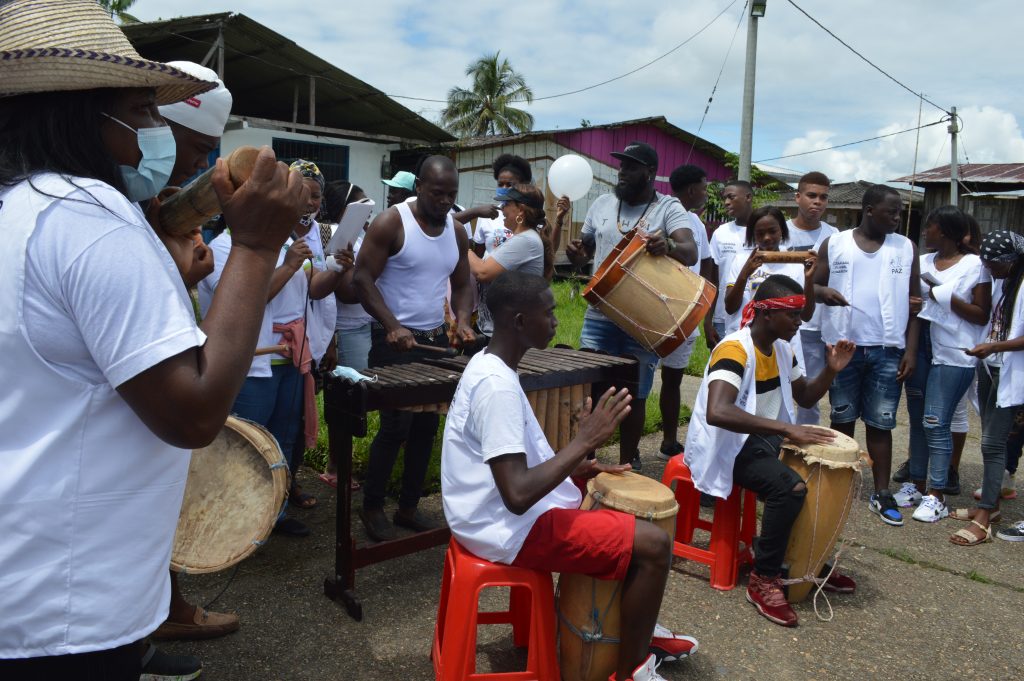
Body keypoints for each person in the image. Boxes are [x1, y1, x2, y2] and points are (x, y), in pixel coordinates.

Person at [0, 1, 308, 677]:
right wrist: (255, 245)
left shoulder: (21, 207)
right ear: (86, 113)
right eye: (141, 110)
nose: (151, 132)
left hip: (25, 583)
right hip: (69, 612)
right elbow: (193, 410)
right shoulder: (89, 217)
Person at [442, 271, 698, 681]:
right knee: (654, 545)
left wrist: (576, 466)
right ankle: (633, 670)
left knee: (595, 495)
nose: (558, 322)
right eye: (550, 313)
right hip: (505, 528)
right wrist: (583, 441)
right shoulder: (497, 388)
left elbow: (509, 470)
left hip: (483, 515)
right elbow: (517, 494)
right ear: (520, 322)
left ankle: (632, 629)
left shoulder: (487, 364)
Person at [685, 274, 857, 627]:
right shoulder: (734, 349)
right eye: (793, 316)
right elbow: (719, 411)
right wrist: (785, 428)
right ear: (766, 314)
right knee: (790, 488)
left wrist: (831, 369)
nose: (800, 322)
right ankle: (765, 579)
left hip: (760, 441)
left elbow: (805, 395)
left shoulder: (781, 348)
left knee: (815, 473)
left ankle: (802, 562)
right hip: (728, 449)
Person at [199, 159, 349, 537]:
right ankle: (236, 522)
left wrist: (338, 270)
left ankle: (273, 516)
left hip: (289, 361)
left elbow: (312, 291)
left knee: (283, 441)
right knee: (248, 444)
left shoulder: (285, 243)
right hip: (251, 365)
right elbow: (249, 300)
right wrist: (290, 264)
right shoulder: (223, 247)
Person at [352, 155, 476, 542]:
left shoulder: (455, 231)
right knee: (395, 427)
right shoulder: (393, 222)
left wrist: (464, 320)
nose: (444, 201)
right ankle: (372, 506)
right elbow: (362, 277)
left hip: (435, 339)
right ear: (419, 186)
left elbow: (463, 282)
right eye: (437, 193)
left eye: (451, 194)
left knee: (427, 426)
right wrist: (392, 325)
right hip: (392, 342)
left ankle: (408, 506)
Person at [566, 142, 697, 470]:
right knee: (591, 387)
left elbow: (690, 251)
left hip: (642, 316)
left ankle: (626, 465)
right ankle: (587, 460)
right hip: (599, 312)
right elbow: (586, 248)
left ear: (650, 173)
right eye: (620, 166)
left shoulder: (669, 208)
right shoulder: (601, 204)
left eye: (630, 167)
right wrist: (577, 254)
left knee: (634, 392)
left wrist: (667, 245)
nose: (621, 173)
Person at [814, 185, 920, 527]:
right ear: (869, 209)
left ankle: (881, 492)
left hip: (888, 349)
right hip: (843, 348)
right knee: (841, 418)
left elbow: (916, 305)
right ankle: (836, 484)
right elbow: (810, 286)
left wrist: (911, 350)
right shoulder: (836, 242)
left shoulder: (905, 247)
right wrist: (823, 292)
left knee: (881, 422)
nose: (898, 217)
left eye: (900, 212)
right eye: (892, 211)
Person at [897, 206, 991, 523]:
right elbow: (913, 306)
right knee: (919, 420)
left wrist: (941, 296)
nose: (925, 233)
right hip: (921, 347)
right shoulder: (923, 262)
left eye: (931, 228)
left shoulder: (975, 266)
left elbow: (981, 314)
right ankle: (917, 485)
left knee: (937, 422)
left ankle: (937, 496)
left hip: (954, 352)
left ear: (946, 232)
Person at [952, 230, 1024, 544]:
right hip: (991, 368)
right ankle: (991, 505)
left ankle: (984, 518)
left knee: (993, 444)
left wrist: (995, 348)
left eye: (994, 264)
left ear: (1011, 261)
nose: (989, 269)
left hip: (1008, 370)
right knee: (989, 441)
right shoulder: (1005, 282)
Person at [657, 164, 714, 460]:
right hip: (652, 307)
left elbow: (704, 263)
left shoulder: (696, 223)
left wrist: (701, 304)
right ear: (692, 189)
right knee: (639, 378)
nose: (706, 193)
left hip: (685, 313)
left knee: (673, 378)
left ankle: (669, 440)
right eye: (704, 187)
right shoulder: (660, 215)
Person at [319, 180, 371, 490]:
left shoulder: (361, 236)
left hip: (362, 326)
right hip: (347, 328)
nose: (368, 211)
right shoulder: (341, 237)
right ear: (345, 209)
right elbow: (347, 292)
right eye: (362, 206)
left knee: (352, 399)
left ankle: (337, 462)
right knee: (345, 400)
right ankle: (336, 466)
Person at [722, 207, 816, 354]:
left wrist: (809, 279)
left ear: (782, 231)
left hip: (786, 347)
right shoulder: (741, 261)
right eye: (760, 233)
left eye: (772, 231)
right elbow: (730, 307)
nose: (766, 237)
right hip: (748, 343)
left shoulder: (796, 263)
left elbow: (806, 315)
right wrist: (744, 274)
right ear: (752, 235)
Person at [784, 172, 838, 425]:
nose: (817, 202)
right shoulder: (780, 231)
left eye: (823, 197)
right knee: (775, 386)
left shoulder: (834, 236)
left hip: (815, 327)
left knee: (809, 394)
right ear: (798, 197)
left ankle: (804, 449)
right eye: (811, 195)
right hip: (780, 321)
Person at [469, 183, 553, 340]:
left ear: (521, 209)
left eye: (506, 204)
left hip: (509, 338)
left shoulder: (526, 240)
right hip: (500, 333)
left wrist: (464, 248)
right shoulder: (523, 238)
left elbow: (482, 272)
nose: (502, 209)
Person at [706, 180, 755, 346]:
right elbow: (712, 281)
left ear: (748, 197)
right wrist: (708, 321)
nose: (726, 202)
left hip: (759, 318)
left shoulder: (765, 231)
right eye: (724, 198)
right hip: (723, 318)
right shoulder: (721, 233)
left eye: (731, 197)